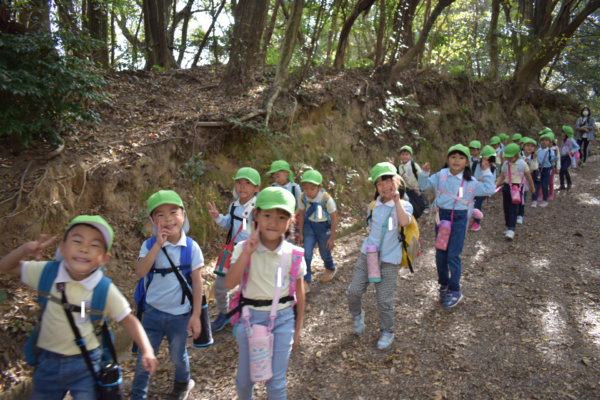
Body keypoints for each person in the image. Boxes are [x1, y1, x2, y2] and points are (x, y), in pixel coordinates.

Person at [0, 216, 158, 400]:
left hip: (86, 364)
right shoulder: (46, 273)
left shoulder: (103, 289)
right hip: (47, 362)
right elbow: (5, 266)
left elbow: (130, 321)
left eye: (94, 245)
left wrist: (147, 350)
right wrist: (25, 249)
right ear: (62, 248)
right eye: (77, 241)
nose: (84, 249)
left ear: (104, 258)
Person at [225, 187, 306, 400]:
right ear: (256, 215)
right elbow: (230, 283)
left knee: (276, 382)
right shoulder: (243, 248)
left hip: (283, 320)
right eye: (267, 215)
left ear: (290, 220)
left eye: (281, 217)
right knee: (245, 380)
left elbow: (299, 294)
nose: (273, 222)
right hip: (249, 320)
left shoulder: (294, 254)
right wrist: (247, 253)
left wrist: (297, 330)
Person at [131, 190, 204, 400]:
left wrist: (196, 315)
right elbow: (141, 272)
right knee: (144, 357)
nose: (169, 219)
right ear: (153, 221)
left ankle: (183, 383)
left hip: (179, 315)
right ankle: (137, 394)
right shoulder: (148, 245)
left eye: (173, 212)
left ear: (183, 215)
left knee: (178, 356)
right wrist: (157, 245)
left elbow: (197, 282)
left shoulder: (191, 248)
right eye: (160, 215)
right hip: (152, 313)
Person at [346, 162, 413, 349]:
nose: (384, 186)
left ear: (396, 181)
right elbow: (372, 229)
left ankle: (387, 331)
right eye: (379, 183)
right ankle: (356, 314)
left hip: (389, 259)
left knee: (384, 300)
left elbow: (404, 222)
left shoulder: (405, 205)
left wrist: (397, 201)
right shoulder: (372, 206)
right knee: (353, 292)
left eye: (387, 181)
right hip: (368, 255)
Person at [419, 145, 495, 307]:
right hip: (442, 219)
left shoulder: (471, 181)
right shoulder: (440, 176)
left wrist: (486, 171)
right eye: (453, 157)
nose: (456, 160)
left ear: (467, 162)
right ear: (447, 160)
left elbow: (490, 189)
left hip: (460, 219)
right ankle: (444, 284)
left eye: (461, 158)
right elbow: (423, 186)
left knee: (453, 254)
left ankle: (454, 290)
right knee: (440, 254)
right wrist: (424, 173)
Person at [207, 167, 261, 331]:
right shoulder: (234, 206)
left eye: (247, 183)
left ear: (257, 188)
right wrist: (218, 217)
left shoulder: (259, 208)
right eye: (239, 182)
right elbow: (229, 223)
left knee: (250, 286)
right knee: (219, 284)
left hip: (251, 253)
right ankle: (225, 313)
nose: (242, 186)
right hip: (232, 252)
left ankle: (251, 317)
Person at [297, 169, 337, 291]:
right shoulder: (303, 197)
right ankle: (306, 281)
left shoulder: (327, 199)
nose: (308, 192)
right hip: (309, 227)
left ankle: (330, 268)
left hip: (323, 228)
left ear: (320, 187)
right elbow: (301, 214)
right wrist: (301, 233)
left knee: (324, 252)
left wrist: (331, 238)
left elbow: (333, 219)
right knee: (306, 254)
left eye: (312, 188)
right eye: (305, 188)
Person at [495, 144, 535, 239]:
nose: (508, 158)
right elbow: (501, 176)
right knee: (506, 208)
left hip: (517, 188)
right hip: (506, 187)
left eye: (511, 157)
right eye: (507, 156)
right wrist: (495, 185)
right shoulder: (506, 164)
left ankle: (511, 229)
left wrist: (532, 187)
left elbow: (528, 177)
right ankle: (508, 226)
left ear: (517, 155)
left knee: (513, 208)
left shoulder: (522, 164)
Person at [267, 160, 302, 243]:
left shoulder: (294, 188)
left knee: (288, 242)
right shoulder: (272, 187)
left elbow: (301, 205)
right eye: (274, 177)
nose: (276, 179)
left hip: (289, 221)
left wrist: (293, 215)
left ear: (286, 173)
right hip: (274, 219)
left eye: (278, 176)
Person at [396, 145, 429, 216]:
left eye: (406, 154)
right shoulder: (399, 167)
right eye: (402, 154)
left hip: (415, 189)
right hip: (406, 190)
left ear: (410, 156)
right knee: (409, 204)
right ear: (400, 156)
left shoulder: (414, 165)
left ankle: (419, 212)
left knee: (417, 204)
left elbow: (420, 175)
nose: (404, 156)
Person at [471, 145, 496, 231]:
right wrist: (477, 180)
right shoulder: (474, 164)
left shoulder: (493, 168)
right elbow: (469, 175)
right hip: (472, 188)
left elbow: (492, 181)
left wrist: (485, 181)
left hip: (483, 189)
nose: (488, 162)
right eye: (486, 159)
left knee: (478, 204)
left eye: (490, 160)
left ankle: (476, 222)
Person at [531, 134, 555, 208]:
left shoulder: (551, 151)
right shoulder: (537, 150)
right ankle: (534, 200)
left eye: (546, 140)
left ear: (549, 142)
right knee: (536, 185)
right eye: (542, 140)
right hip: (537, 169)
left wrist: (557, 155)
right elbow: (533, 159)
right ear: (539, 142)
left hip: (546, 170)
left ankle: (545, 200)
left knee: (544, 185)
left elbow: (553, 160)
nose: (544, 142)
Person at [518, 138, 539, 224]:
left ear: (535, 149)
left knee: (523, 197)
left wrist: (534, 159)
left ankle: (520, 215)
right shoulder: (518, 155)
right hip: (516, 179)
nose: (529, 147)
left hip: (525, 181)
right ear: (523, 146)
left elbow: (534, 168)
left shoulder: (533, 157)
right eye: (528, 145)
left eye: (532, 146)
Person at [559, 126, 581, 191]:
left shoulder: (571, 140)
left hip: (568, 157)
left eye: (563, 132)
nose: (562, 133)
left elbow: (577, 147)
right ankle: (562, 185)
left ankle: (569, 183)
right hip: (562, 157)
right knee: (561, 171)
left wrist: (571, 152)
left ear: (566, 133)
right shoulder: (564, 140)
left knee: (564, 169)